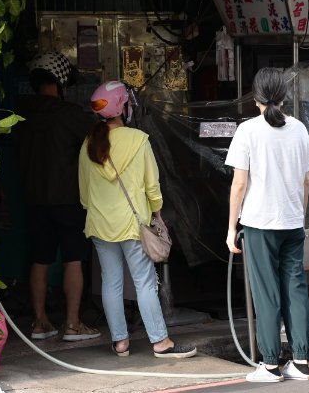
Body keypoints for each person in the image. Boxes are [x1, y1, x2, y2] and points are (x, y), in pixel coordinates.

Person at [78, 81, 197, 359]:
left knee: (111, 282)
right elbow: (152, 187)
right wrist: (157, 212)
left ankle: (120, 342)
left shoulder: (88, 145)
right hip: (133, 225)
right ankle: (160, 341)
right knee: (144, 282)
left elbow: (84, 194)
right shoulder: (138, 140)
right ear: (123, 107)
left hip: (100, 224)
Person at [225, 68, 309, 382]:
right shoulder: (300, 129)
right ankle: (301, 362)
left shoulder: (248, 131)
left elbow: (239, 184)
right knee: (295, 288)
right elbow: (306, 181)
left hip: (260, 223)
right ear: (283, 96)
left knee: (266, 293)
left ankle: (271, 364)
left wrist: (231, 228)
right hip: (292, 222)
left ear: (256, 97)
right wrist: (300, 218)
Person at [15, 51, 101, 342]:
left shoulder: (20, 113)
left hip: (34, 200)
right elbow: (99, 147)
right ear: (62, 82)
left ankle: (40, 323)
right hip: (69, 201)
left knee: (40, 261)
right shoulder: (73, 115)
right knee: (73, 260)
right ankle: (73, 324)